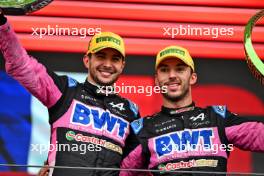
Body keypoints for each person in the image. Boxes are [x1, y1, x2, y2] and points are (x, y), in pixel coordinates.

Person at [0, 9, 140, 176]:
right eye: (101, 56)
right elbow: (21, 66)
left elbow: (134, 167)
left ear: (122, 66)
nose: (108, 64)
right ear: (87, 60)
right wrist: (2, 25)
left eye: (115, 59)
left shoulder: (130, 111)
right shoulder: (65, 90)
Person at [120, 45, 264, 176]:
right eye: (164, 70)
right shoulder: (143, 128)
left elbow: (259, 136)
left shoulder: (218, 117)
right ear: (157, 80)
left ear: (193, 78)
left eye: (180, 69)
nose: (172, 75)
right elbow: (120, 171)